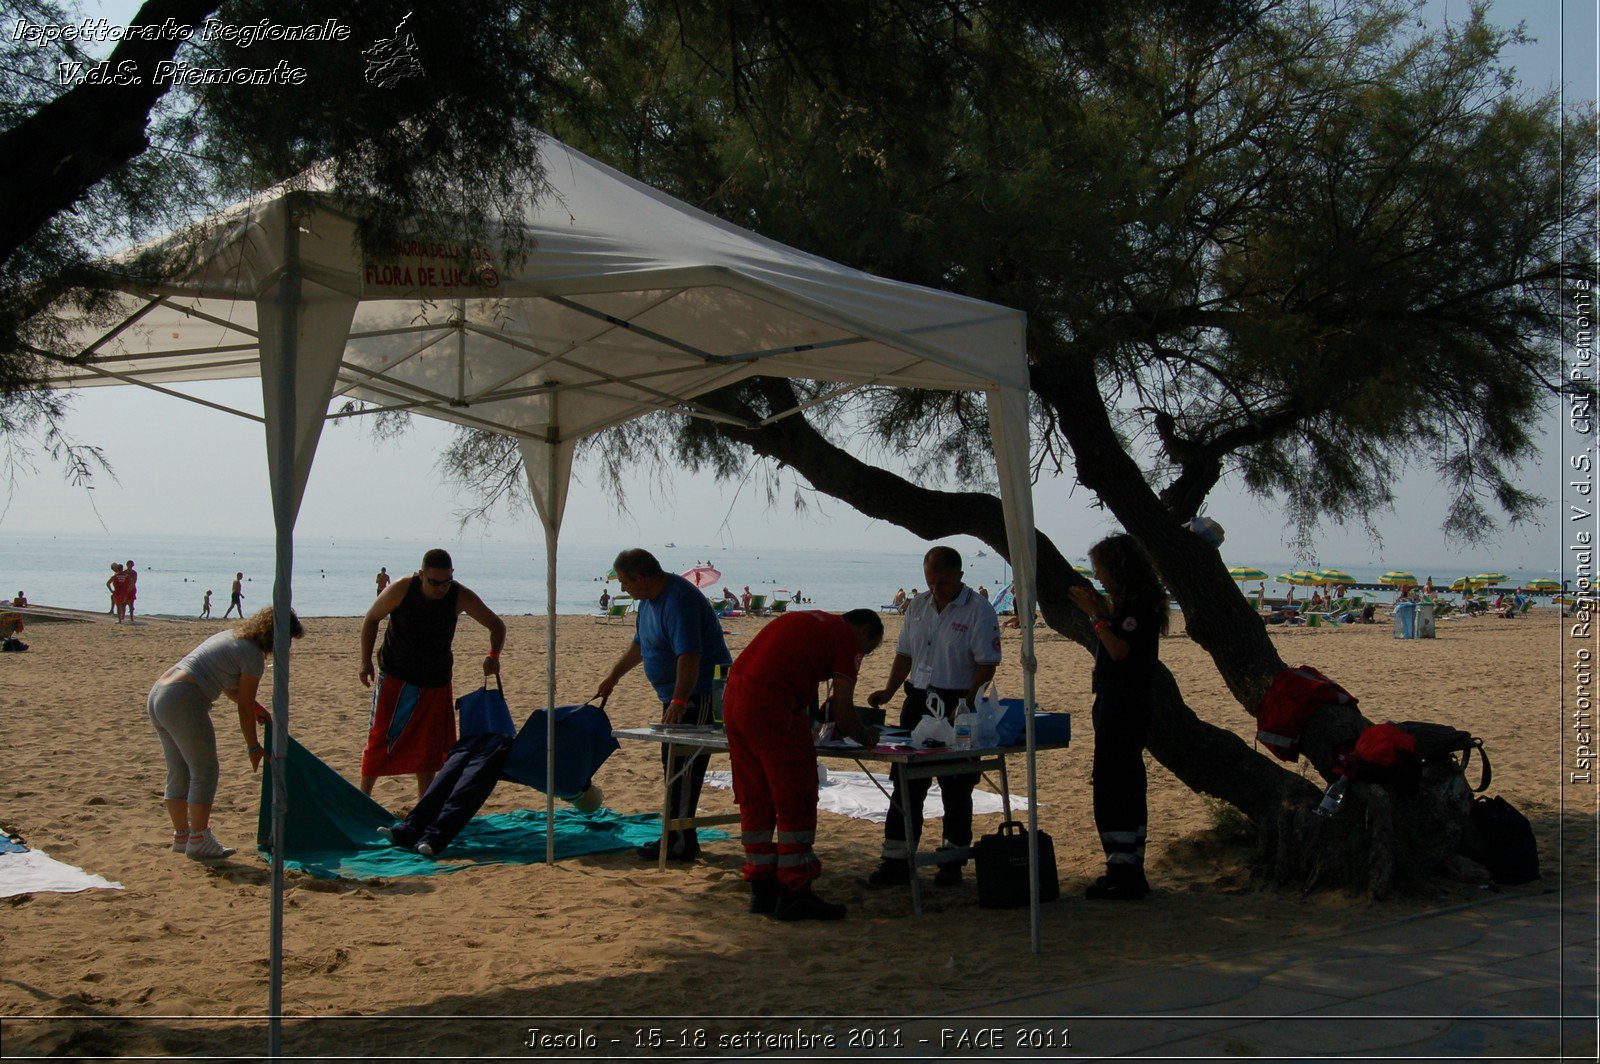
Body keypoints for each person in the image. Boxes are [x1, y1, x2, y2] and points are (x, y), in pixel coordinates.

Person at [725, 608, 884, 920]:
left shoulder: (810, 620)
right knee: (795, 793)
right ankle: (795, 890)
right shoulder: (845, 640)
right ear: (863, 631)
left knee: (755, 794)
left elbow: (792, 667)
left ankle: (762, 886)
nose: (862, 656)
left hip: (734, 697)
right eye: (867, 649)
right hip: (771, 704)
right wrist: (866, 736)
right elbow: (844, 707)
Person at [865, 546, 1001, 888]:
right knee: (906, 783)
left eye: (942, 582)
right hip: (918, 699)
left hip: (958, 700)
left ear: (959, 576)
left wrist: (968, 701)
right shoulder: (920, 606)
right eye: (930, 581)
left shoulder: (978, 610)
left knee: (957, 786)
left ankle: (952, 862)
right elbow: (904, 654)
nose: (936, 589)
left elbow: (987, 663)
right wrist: (889, 691)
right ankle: (895, 860)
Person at [596, 548, 732, 862]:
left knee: (684, 766)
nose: (623, 589)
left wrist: (681, 700)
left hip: (699, 693)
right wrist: (613, 677)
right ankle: (676, 835)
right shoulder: (646, 604)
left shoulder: (679, 599)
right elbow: (639, 646)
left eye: (625, 582)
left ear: (641, 577)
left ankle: (680, 840)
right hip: (674, 696)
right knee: (671, 763)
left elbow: (690, 656)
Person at [148, 607, 303, 860]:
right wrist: (253, 747)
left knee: (179, 769)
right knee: (205, 771)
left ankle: (182, 836)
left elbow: (234, 690)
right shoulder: (252, 655)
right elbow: (242, 706)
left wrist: (255, 708)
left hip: (160, 694)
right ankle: (199, 838)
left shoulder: (233, 636)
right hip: (183, 700)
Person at [359, 549, 506, 799]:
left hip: (435, 681)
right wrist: (365, 662)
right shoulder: (401, 589)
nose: (441, 589)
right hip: (396, 675)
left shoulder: (460, 595)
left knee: (427, 751)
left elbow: (496, 625)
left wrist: (493, 655)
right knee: (380, 738)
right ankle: (362, 798)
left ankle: (422, 807)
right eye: (434, 583)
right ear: (421, 575)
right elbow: (371, 619)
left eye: (446, 582)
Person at [1068, 533, 1168, 900]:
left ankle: (1123, 868)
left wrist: (1095, 615)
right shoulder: (1136, 604)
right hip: (1123, 701)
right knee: (1121, 780)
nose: (1099, 577)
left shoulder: (1138, 606)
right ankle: (1124, 864)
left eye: (1101, 570)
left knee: (1115, 782)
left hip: (1123, 703)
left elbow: (1119, 650)